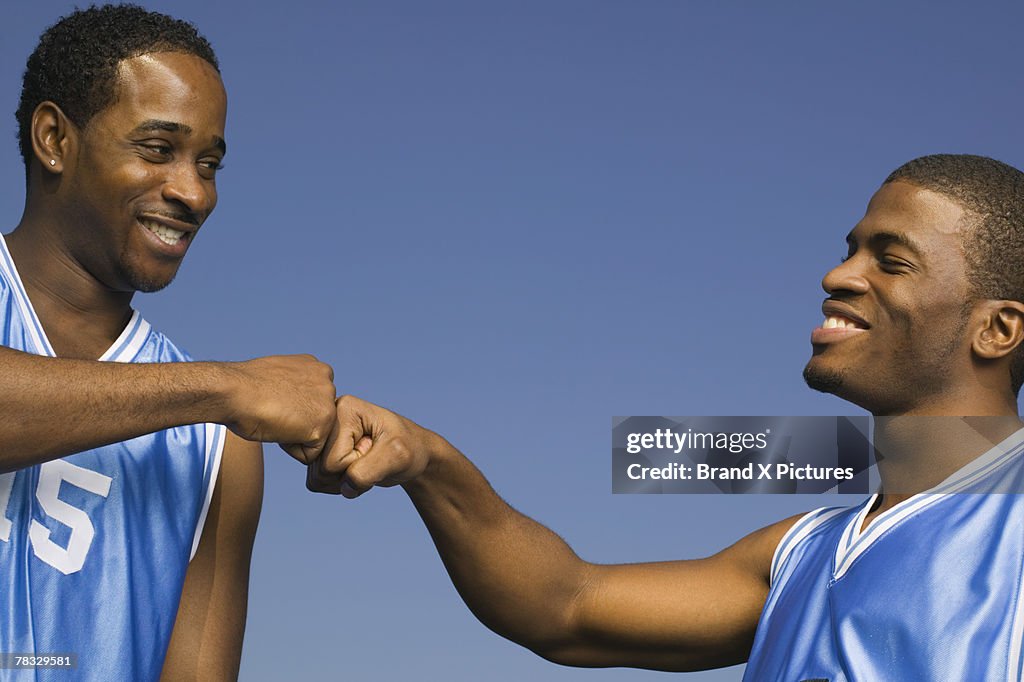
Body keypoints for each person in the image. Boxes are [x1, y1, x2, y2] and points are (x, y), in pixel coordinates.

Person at [308, 154, 1024, 679]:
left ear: (996, 330)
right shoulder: (804, 550)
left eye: (890, 262)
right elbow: (564, 608)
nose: (838, 276)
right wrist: (429, 462)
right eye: (850, 250)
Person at [0, 6, 336, 680]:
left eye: (208, 163)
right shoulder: (222, 403)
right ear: (53, 138)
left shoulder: (221, 444)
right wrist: (229, 386)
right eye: (158, 148)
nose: (193, 192)